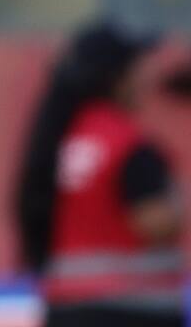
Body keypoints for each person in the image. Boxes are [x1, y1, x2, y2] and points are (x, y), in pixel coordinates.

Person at [15, 22, 187, 327]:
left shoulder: (60, 139)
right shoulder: (129, 144)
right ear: (116, 79)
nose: (145, 77)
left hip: (67, 307)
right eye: (138, 67)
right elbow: (155, 222)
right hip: (132, 309)